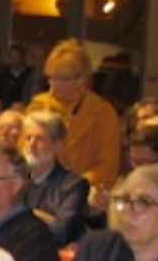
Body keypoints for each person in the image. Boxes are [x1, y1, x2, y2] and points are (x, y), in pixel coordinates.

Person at [28, 39, 121, 190]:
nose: (54, 84)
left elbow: (107, 166)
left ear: (82, 80)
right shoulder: (37, 107)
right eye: (52, 78)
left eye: (63, 79)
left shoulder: (103, 113)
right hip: (38, 189)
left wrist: (72, 187)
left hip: (83, 194)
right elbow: (23, 150)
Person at [20, 110, 89, 248]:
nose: (31, 145)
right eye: (28, 138)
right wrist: (43, 217)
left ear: (57, 146)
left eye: (39, 139)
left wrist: (24, 213)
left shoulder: (73, 185)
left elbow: (61, 232)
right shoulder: (16, 179)